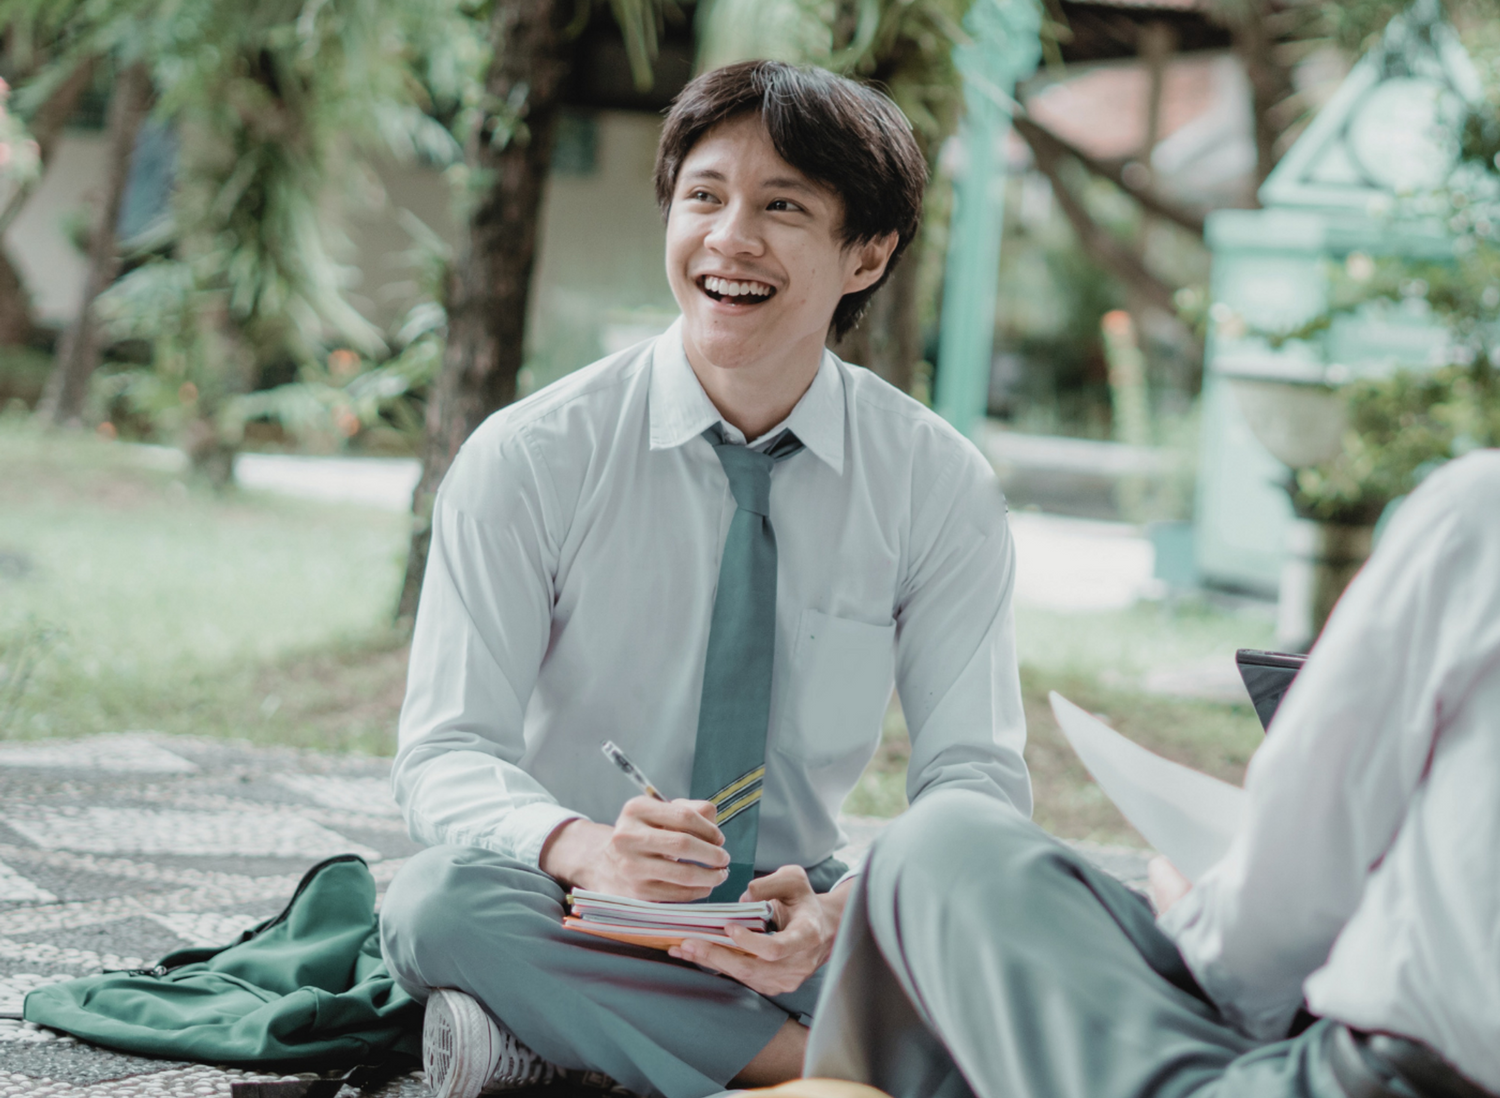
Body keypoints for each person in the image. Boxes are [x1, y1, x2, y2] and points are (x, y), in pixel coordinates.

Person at [378, 60, 1033, 1098]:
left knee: (1039, 938)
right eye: (704, 197)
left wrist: (847, 906)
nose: (730, 239)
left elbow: (978, 782)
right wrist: (588, 850)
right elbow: (447, 754)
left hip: (796, 913)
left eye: (783, 207)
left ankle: (558, 1043)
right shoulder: (531, 458)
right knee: (439, 905)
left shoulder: (938, 486)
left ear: (867, 252)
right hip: (576, 900)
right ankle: (809, 1077)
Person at [802, 449, 1500, 1098]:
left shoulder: (1478, 515)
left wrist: (1191, 926)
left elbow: (1270, 926)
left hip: (1373, 1074)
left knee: (939, 846)